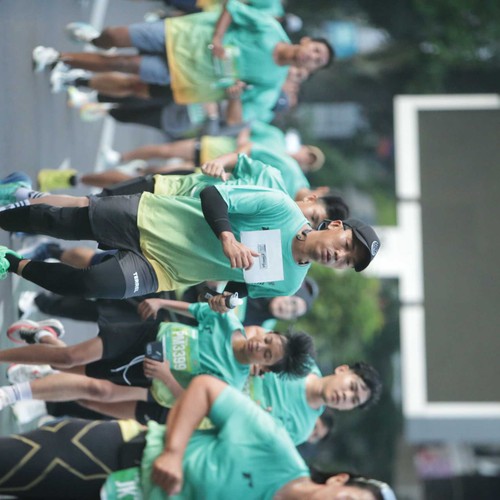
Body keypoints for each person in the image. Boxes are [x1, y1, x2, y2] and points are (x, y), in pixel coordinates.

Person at [0, 375, 397, 499]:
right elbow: (206, 388)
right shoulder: (277, 449)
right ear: (339, 480)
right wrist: (173, 453)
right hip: (116, 458)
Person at [0, 183, 380, 307]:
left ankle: (12, 262)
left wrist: (223, 299)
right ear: (335, 225)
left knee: (92, 284)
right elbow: (213, 194)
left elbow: (242, 286)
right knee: (58, 221)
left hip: (165, 270)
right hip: (153, 219)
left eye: (347, 261)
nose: (340, 255)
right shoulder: (281, 207)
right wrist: (227, 237)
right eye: (347, 244)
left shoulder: (290, 283)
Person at [0, 301, 314, 420]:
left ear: (265, 367)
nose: (260, 345)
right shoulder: (230, 323)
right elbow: (197, 310)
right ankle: (12, 379)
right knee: (71, 356)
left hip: (147, 370)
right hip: (147, 335)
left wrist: (165, 375)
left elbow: (189, 399)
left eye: (266, 353)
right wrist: (162, 302)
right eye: (268, 340)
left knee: (66, 366)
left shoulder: (231, 381)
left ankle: (42, 336)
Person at [32, 0, 334, 121]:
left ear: (309, 69)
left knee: (124, 65)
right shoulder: (271, 29)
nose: (312, 56)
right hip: (183, 34)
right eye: (316, 50)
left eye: (317, 61)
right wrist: (218, 39)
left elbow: (235, 118)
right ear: (307, 41)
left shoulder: (272, 83)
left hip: (185, 74)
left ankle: (59, 58)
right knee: (113, 35)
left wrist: (233, 96)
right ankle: (93, 39)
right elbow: (232, 8)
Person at [247, 361, 382, 445]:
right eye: (352, 386)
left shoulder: (302, 430)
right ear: (341, 370)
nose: (346, 395)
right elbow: (252, 335)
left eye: (354, 401)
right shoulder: (299, 359)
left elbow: (255, 443)